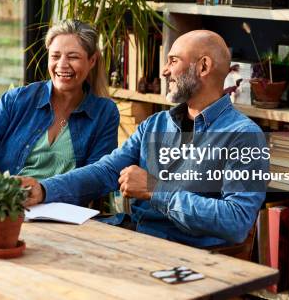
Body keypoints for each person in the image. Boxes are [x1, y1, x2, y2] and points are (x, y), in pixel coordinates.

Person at [20, 30, 269, 247]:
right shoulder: (155, 124)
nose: (164, 71)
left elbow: (236, 221)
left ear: (203, 67)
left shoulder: (244, 137)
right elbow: (105, 171)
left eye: (173, 61)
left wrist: (155, 190)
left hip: (188, 255)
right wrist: (44, 189)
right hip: (134, 238)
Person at [0, 19, 119, 187]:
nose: (62, 65)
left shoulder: (104, 113)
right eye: (55, 56)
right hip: (3, 206)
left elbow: (96, 177)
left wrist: (42, 191)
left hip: (56, 212)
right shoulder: (16, 100)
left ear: (92, 60)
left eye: (73, 57)